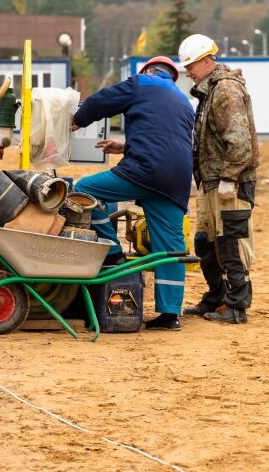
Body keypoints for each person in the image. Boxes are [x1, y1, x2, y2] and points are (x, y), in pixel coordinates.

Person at [72, 55, 195, 331]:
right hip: (176, 179)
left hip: (145, 169)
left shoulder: (142, 82)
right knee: (171, 247)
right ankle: (170, 315)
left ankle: (113, 253)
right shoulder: (184, 102)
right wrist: (125, 147)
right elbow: (166, 139)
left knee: (85, 192)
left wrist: (78, 120)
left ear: (150, 70)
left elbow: (101, 100)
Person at [177, 34, 259, 324]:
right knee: (205, 243)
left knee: (231, 242)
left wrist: (229, 177)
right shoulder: (209, 91)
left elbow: (239, 142)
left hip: (229, 184)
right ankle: (217, 297)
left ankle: (236, 307)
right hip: (211, 182)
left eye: (191, 65)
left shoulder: (225, 90)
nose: (187, 72)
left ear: (207, 61)